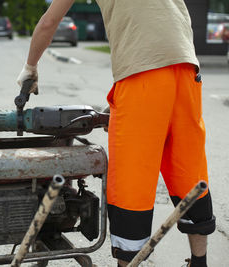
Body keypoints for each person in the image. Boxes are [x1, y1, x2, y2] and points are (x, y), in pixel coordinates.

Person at [16, 1, 215, 266]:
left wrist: (30, 67)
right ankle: (199, 261)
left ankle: (128, 263)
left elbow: (48, 23)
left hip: (143, 75)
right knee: (189, 168)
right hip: (187, 70)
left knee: (132, 177)